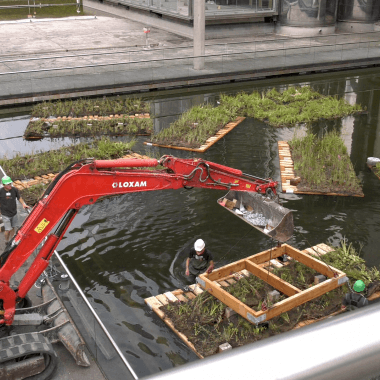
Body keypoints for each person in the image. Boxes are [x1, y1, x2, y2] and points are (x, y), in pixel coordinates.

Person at [0, 176, 29, 245]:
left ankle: (12, 240)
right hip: (5, 214)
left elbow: (19, 198)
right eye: (8, 184)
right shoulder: (1, 191)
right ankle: (7, 241)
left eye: (10, 183)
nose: (10, 185)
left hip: (14, 213)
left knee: (13, 227)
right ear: (4, 185)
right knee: (7, 230)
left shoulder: (14, 190)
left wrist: (23, 204)